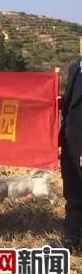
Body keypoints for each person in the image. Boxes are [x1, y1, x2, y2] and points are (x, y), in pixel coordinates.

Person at [60, 59, 82, 251]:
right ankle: (72, 238)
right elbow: (70, 106)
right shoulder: (75, 68)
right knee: (73, 193)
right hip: (69, 143)